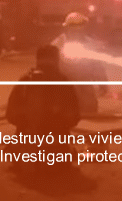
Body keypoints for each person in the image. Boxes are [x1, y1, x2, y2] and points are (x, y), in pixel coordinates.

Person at [5, 45, 81, 173]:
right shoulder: (64, 83)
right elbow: (74, 118)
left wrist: (27, 123)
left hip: (26, 149)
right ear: (57, 61)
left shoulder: (25, 81)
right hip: (58, 154)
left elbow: (11, 115)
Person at [52, 12, 108, 116]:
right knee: (66, 111)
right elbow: (49, 68)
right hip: (64, 86)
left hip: (84, 84)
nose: (77, 31)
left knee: (89, 109)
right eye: (74, 27)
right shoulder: (58, 44)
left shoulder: (90, 44)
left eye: (79, 27)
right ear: (67, 28)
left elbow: (97, 65)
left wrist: (102, 83)